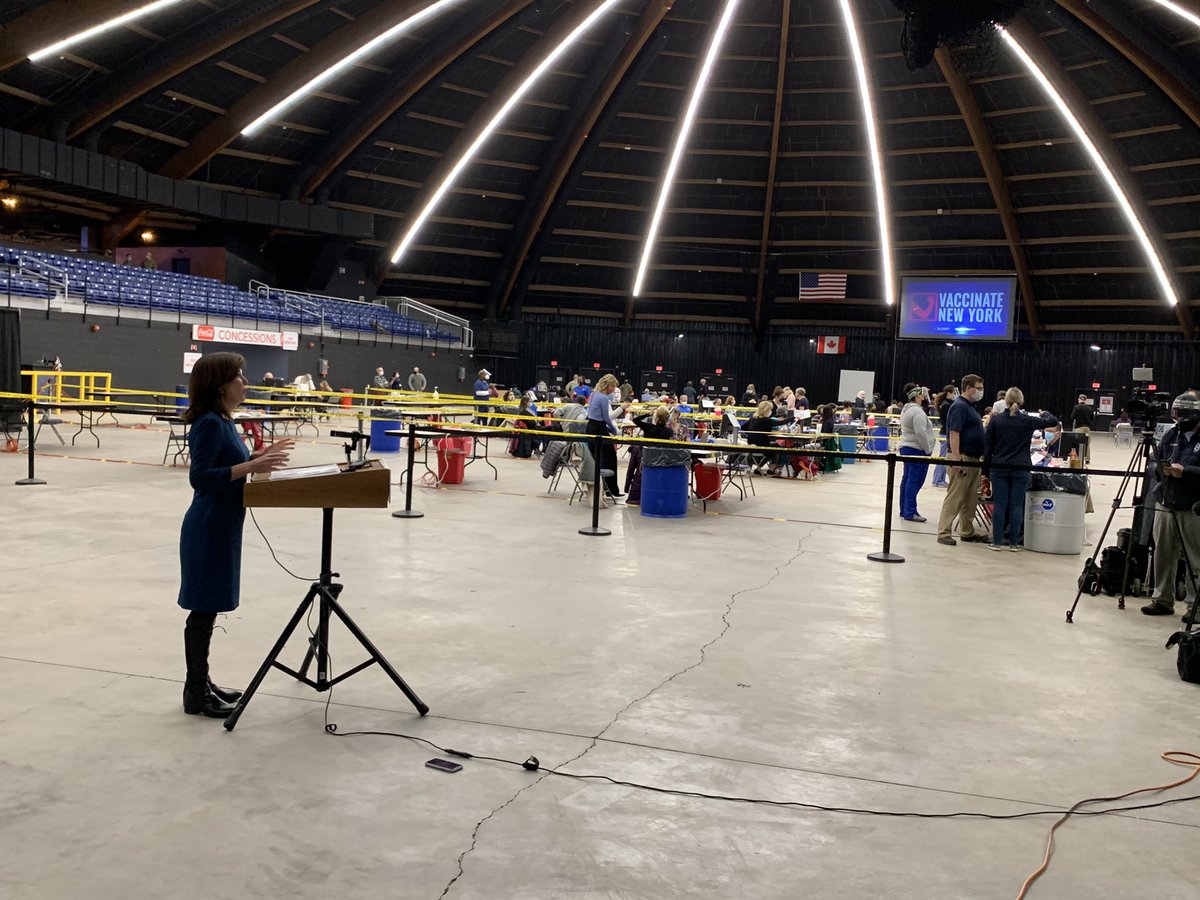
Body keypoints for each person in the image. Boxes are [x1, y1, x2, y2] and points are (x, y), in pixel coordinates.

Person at [177, 352, 293, 718]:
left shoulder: (225, 421)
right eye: (238, 377)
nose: (245, 383)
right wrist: (252, 464)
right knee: (202, 609)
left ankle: (202, 682)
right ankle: (196, 692)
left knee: (210, 607)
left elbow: (229, 464)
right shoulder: (209, 423)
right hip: (209, 525)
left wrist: (259, 455)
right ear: (220, 385)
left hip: (225, 524)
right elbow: (200, 477)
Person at [1141, 391, 1200, 618]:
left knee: (1195, 558)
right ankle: (1162, 599)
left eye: (1184, 415)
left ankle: (1196, 606)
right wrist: (1160, 470)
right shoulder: (1171, 434)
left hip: (1193, 506)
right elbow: (1152, 462)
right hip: (1166, 501)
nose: (1179, 420)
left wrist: (1186, 472)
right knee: (1163, 553)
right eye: (1177, 415)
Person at [983, 387, 1060, 550]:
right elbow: (1053, 421)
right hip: (1021, 466)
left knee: (1000, 505)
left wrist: (985, 472)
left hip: (999, 467)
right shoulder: (1027, 420)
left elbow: (988, 448)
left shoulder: (996, 421)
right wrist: (1044, 413)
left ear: (1005, 401)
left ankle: (996, 542)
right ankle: (1014, 543)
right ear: (1021, 401)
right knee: (1017, 506)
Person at [937, 374, 989, 546]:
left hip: (973, 458)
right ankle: (944, 532)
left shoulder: (970, 407)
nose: (981, 391)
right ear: (968, 388)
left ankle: (967, 531)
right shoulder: (959, 406)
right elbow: (954, 433)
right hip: (962, 457)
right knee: (955, 496)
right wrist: (957, 459)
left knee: (970, 498)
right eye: (978, 388)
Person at [898, 384, 937, 523]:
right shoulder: (917, 412)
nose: (924, 395)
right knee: (914, 481)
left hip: (907, 447)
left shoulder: (906, 409)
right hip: (916, 449)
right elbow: (920, 432)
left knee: (907, 480)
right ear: (917, 396)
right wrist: (927, 449)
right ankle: (910, 511)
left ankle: (904, 509)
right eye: (922, 393)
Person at [586, 373, 627, 498]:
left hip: (591, 428)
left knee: (596, 458)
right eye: (613, 386)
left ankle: (600, 487)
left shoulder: (593, 395)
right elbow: (606, 418)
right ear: (608, 386)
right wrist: (614, 430)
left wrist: (609, 428)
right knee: (610, 458)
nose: (614, 389)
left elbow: (596, 417)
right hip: (599, 429)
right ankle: (612, 489)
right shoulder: (603, 398)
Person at [745, 400, 788, 475]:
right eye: (770, 409)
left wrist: (752, 432)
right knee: (776, 448)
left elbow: (743, 427)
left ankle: (759, 468)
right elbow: (781, 422)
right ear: (767, 410)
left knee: (772, 448)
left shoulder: (753, 418)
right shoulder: (766, 420)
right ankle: (770, 468)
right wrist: (794, 418)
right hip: (761, 445)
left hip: (751, 444)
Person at [931, 384, 958, 488]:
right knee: (943, 457)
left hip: (945, 433)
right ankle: (938, 479)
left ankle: (939, 479)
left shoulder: (946, 404)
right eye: (953, 393)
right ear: (948, 393)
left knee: (943, 457)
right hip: (945, 434)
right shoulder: (946, 405)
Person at [1069, 394, 1094, 463]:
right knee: (1087, 444)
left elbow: (1072, 417)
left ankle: (1078, 458)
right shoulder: (1089, 408)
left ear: (1079, 399)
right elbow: (1092, 418)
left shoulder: (1076, 407)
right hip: (1087, 428)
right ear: (1085, 400)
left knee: (1077, 443)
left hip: (1079, 428)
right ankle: (1087, 459)